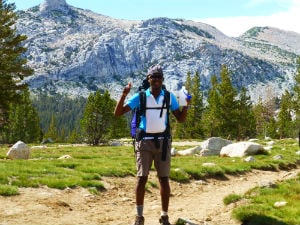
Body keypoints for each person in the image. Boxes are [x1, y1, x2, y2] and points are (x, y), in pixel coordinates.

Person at [114, 64, 190, 225]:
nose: (155, 80)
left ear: (162, 80)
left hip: (163, 142)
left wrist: (187, 104)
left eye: (158, 77)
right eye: (153, 77)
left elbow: (181, 119)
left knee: (164, 179)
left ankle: (164, 216)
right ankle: (139, 217)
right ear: (148, 79)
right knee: (142, 178)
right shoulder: (140, 97)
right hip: (144, 143)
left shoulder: (169, 97)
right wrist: (124, 94)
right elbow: (118, 113)